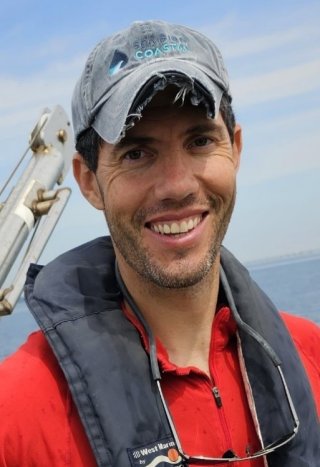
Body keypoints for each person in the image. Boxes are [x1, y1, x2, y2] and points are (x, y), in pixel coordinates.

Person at [0, 20, 319, 467]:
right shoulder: (16, 415)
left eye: (201, 140)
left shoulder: (310, 354)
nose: (176, 185)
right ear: (88, 181)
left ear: (237, 149)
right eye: (136, 152)